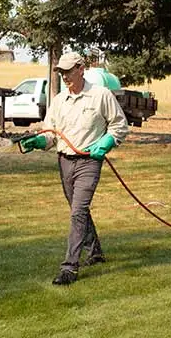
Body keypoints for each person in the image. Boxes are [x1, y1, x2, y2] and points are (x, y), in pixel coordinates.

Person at [20, 52, 130, 285]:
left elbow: (120, 125)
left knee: (78, 211)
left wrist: (107, 142)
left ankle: (70, 267)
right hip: (64, 161)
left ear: (81, 68)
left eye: (69, 71)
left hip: (89, 161)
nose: (65, 76)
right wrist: (39, 141)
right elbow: (51, 134)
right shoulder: (59, 101)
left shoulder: (101, 95)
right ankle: (95, 251)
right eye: (61, 72)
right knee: (78, 210)